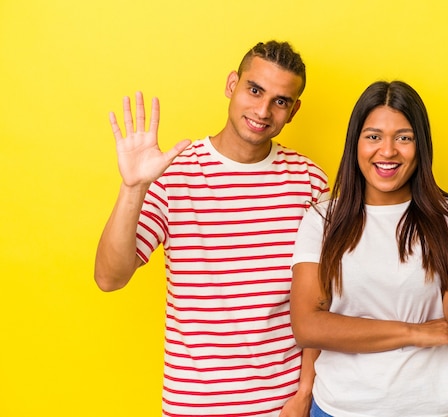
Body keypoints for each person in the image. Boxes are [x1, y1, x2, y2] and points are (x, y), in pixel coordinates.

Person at [95, 40, 329, 417]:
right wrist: (134, 187)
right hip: (194, 404)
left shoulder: (309, 181)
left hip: (284, 405)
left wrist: (305, 393)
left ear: (294, 110)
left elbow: (324, 297)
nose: (263, 110)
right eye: (254, 90)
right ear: (231, 84)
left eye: (280, 101)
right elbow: (109, 277)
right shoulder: (174, 173)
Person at [290, 80, 448, 417]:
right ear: (355, 143)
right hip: (341, 409)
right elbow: (308, 326)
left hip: (438, 409)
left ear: (421, 146)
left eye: (404, 137)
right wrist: (414, 332)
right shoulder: (322, 219)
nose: (387, 151)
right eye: (373, 136)